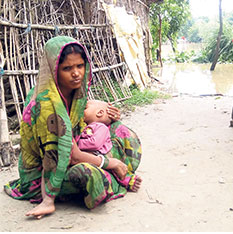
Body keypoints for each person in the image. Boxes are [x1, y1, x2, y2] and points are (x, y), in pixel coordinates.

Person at [4, 36, 144, 219]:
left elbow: (86, 111)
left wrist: (107, 113)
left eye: (79, 66)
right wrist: (111, 163)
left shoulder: (76, 91)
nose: (76, 73)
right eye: (67, 68)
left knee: (120, 131)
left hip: (77, 148)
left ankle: (116, 173)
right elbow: (69, 156)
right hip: (45, 172)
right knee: (87, 174)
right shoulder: (46, 106)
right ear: (54, 71)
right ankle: (117, 174)